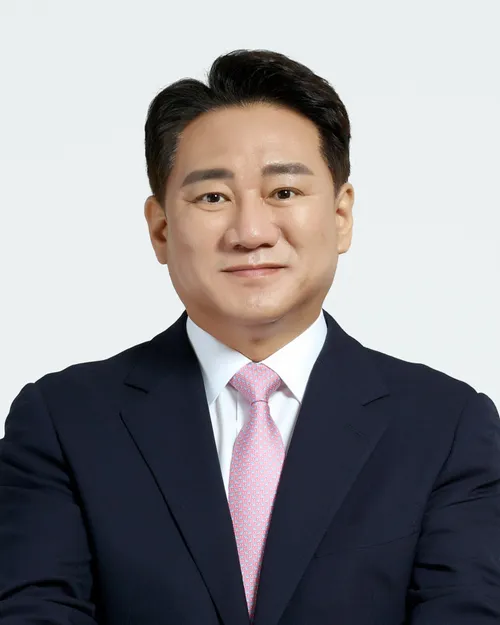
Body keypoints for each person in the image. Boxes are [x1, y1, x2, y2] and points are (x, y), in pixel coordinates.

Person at [0, 48, 499, 625]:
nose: (251, 232)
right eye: (212, 197)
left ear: (341, 216)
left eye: (284, 192)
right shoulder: (63, 423)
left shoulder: (447, 427)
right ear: (160, 228)